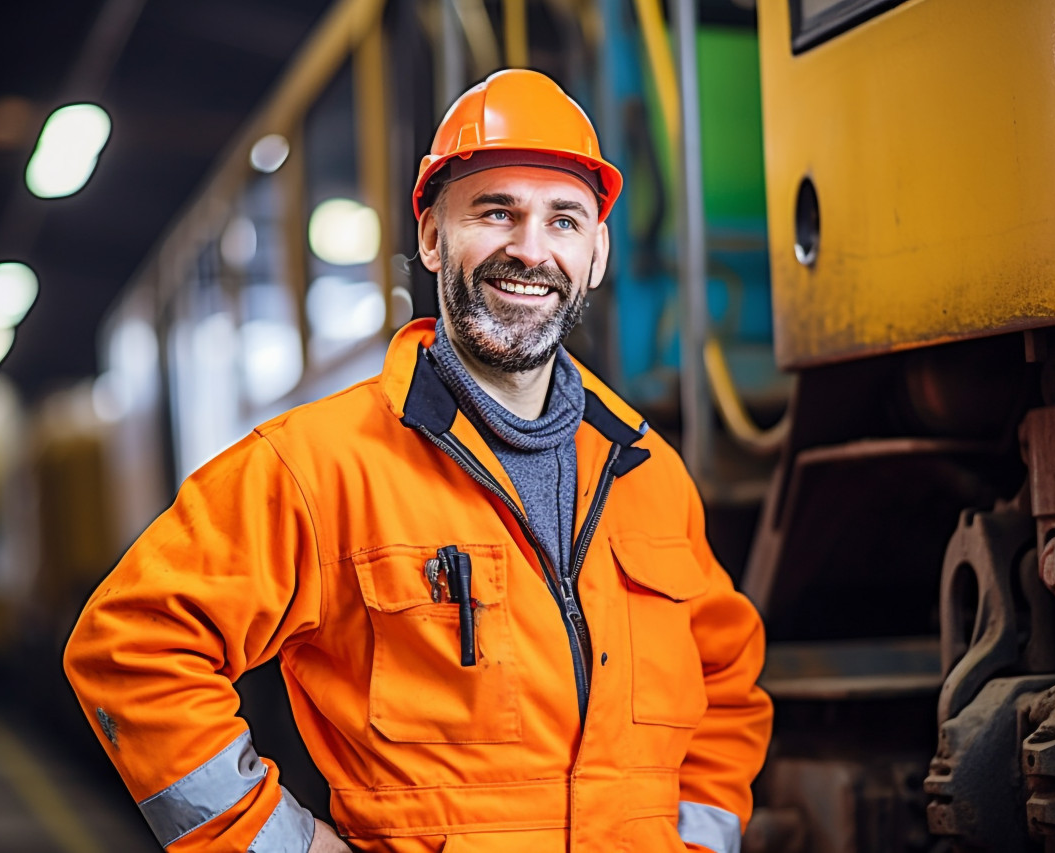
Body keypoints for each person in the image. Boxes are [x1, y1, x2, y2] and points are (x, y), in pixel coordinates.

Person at [64, 68, 772, 853]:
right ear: (433, 237)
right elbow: (131, 646)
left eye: (564, 220)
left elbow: (727, 684)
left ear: (597, 254)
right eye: (496, 211)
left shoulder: (648, 473)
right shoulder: (318, 466)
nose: (530, 249)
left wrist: (699, 843)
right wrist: (282, 844)